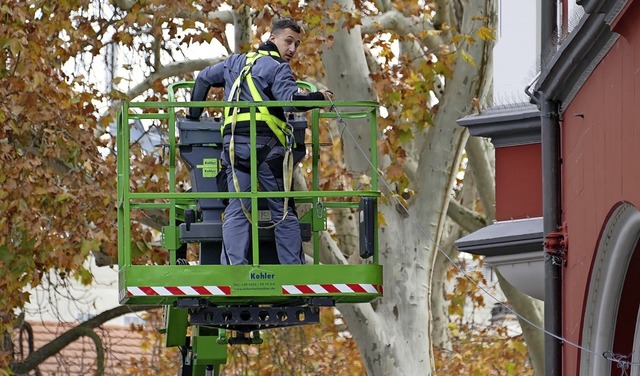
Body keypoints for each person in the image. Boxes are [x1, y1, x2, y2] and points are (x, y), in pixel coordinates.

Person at [187, 18, 334, 265]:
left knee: (236, 208)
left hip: (234, 149)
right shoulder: (277, 68)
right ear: (272, 38)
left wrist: (192, 117)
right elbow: (290, 101)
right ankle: (292, 272)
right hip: (268, 150)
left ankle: (234, 271)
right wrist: (320, 97)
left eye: (296, 44)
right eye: (289, 41)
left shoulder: (234, 63)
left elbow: (202, 78)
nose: (292, 49)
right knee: (283, 210)